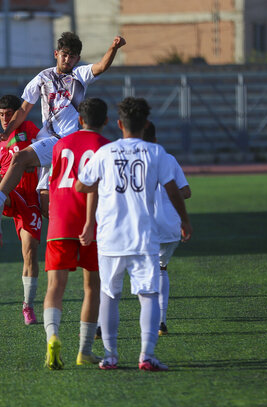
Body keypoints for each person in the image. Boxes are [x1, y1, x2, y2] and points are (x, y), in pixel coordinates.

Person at [76, 97, 193, 372]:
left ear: (119, 124)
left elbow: (82, 185)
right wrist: (185, 220)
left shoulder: (105, 153)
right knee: (148, 294)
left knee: (109, 294)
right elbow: (174, 189)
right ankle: (146, 355)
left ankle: (111, 355)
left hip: (110, 237)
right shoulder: (156, 153)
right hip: (143, 236)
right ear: (146, 124)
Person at [0, 32, 126, 224]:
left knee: (20, 157)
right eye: (64, 54)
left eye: (72, 56)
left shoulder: (80, 75)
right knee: (45, 204)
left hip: (64, 140)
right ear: (56, 53)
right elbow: (23, 109)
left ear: (78, 58)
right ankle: (83, 230)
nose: (68, 59)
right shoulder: (42, 78)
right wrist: (7, 133)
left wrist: (113, 48)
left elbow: (101, 67)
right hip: (47, 140)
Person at [42, 97, 110, 370]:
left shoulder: (60, 145)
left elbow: (53, 181)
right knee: (92, 287)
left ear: (79, 120)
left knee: (54, 287)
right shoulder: (107, 147)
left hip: (60, 223)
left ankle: (53, 335)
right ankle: (84, 350)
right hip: (92, 224)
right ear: (105, 122)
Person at [0, 95, 42, 325]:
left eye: (9, 114)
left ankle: (28, 305)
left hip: (31, 198)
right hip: (10, 197)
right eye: (1, 115)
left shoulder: (29, 129)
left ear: (18, 113)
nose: (5, 119)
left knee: (30, 254)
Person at [142, 121, 191, 337]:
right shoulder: (168, 158)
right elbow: (186, 191)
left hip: (141, 226)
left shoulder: (129, 159)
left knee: (138, 272)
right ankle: (161, 321)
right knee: (161, 269)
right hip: (170, 226)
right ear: (155, 139)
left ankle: (99, 326)